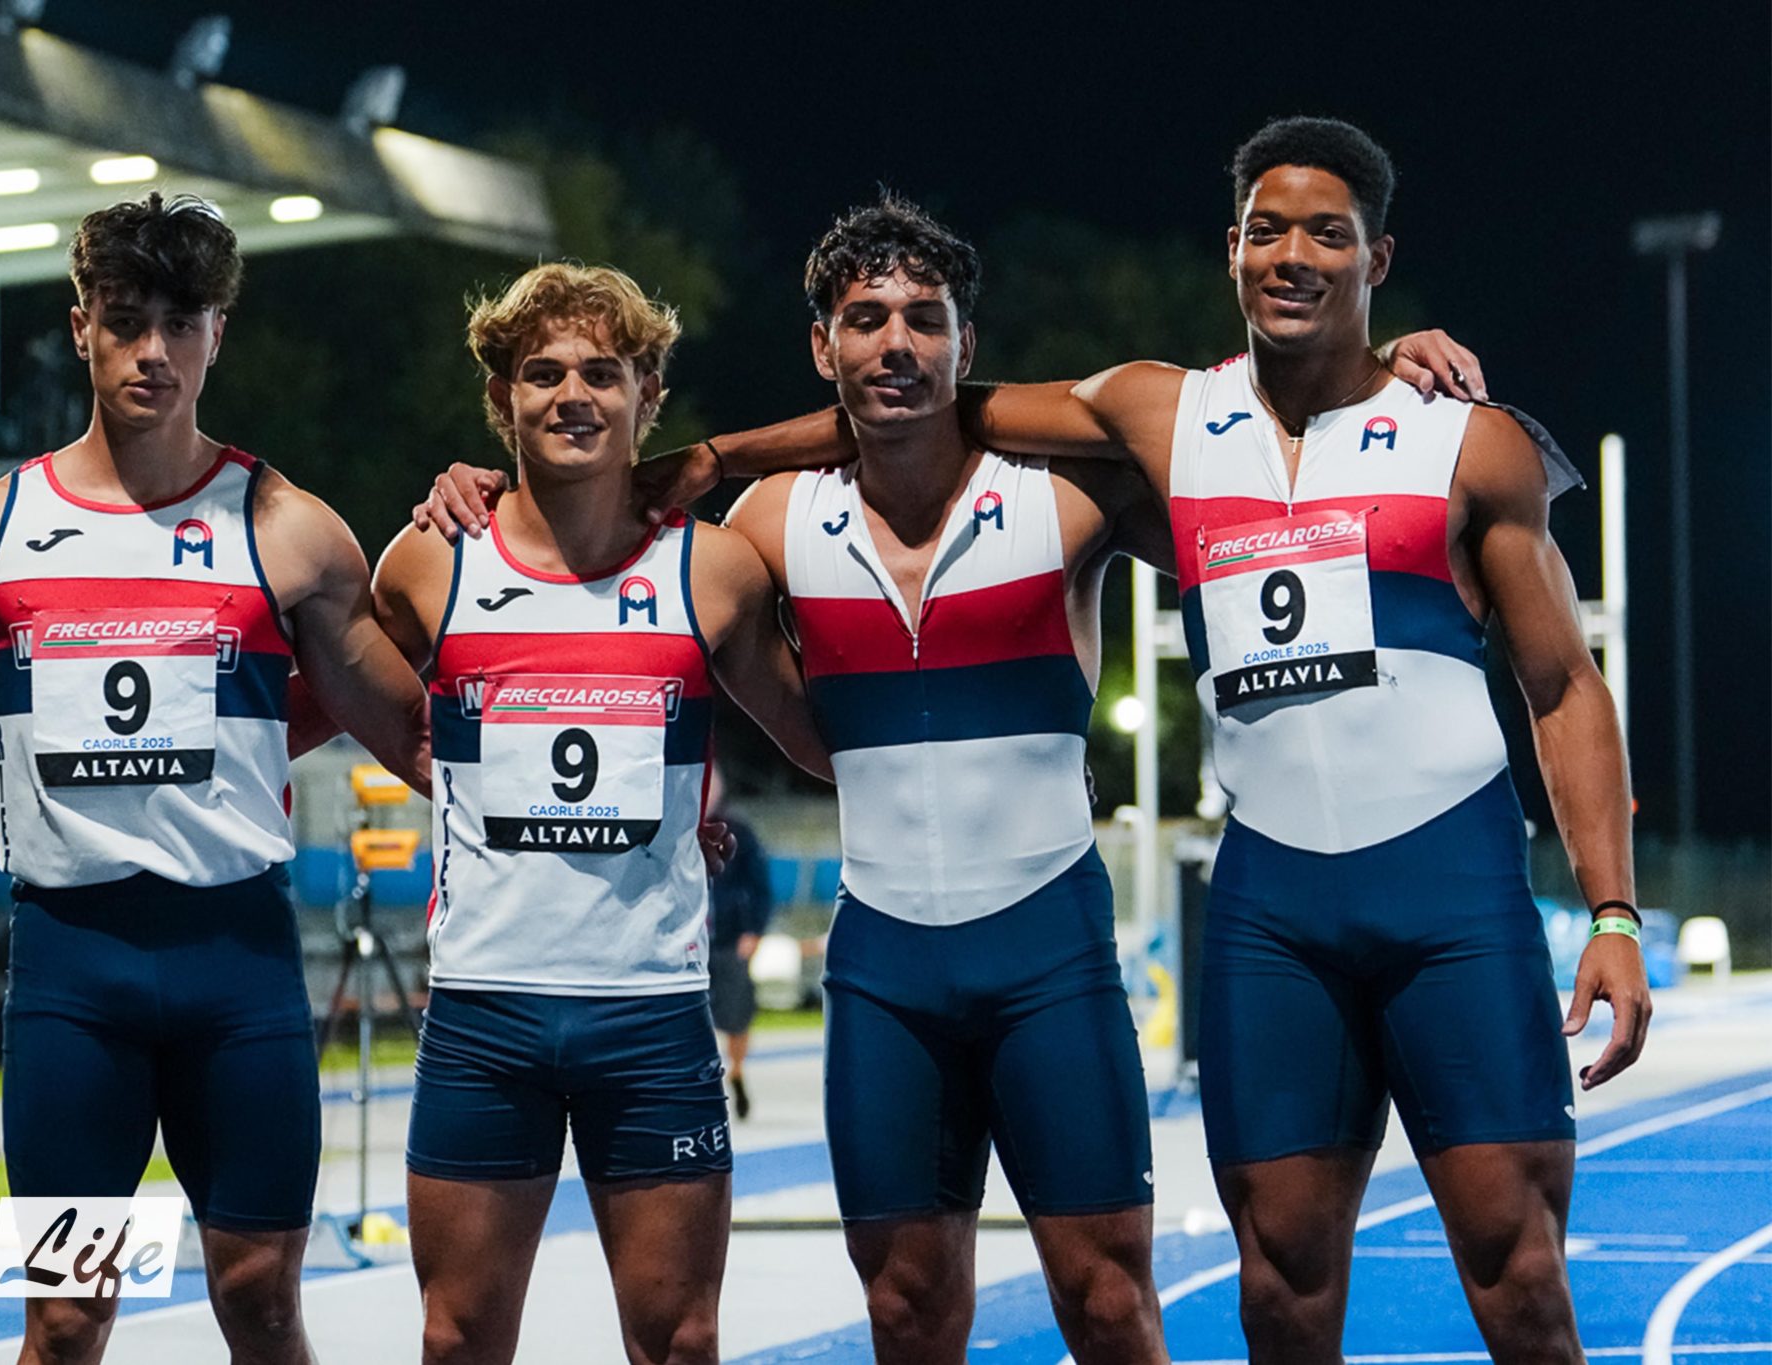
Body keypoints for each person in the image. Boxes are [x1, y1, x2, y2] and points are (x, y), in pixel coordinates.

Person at [588, 119, 1649, 1365]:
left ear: (1376, 258)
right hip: (1272, 909)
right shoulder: (1162, 417)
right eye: (1267, 231)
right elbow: (922, 411)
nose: (1291, 256)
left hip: (1448, 892)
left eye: (1327, 235)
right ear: (1229, 249)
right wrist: (713, 458)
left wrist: (1612, 914)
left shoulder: (1464, 437)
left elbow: (1561, 684)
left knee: (1517, 1275)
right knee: (1278, 1286)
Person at [0, 193, 433, 1365]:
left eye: (180, 323)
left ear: (216, 334)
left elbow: (414, 734)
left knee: (260, 1300)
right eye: (126, 319)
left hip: (238, 968)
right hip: (71, 974)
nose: (153, 350)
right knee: (63, 1317)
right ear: (81, 327)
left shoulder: (288, 531)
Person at [369, 262, 829, 1365]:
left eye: (602, 372)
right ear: (502, 398)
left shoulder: (714, 570)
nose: (572, 395)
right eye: (543, 373)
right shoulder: (430, 559)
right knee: (456, 1339)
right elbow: (344, 706)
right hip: (486, 1014)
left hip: (651, 1017)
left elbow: (821, 740)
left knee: (680, 1340)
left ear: (646, 394)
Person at [703, 763, 772, 1119]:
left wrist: (754, 930)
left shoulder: (738, 830)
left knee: (737, 1015)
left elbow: (760, 883)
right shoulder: (677, 824)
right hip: (690, 939)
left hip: (730, 937)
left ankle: (738, 1072)